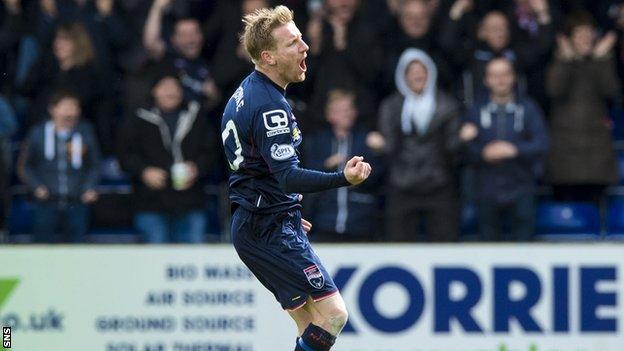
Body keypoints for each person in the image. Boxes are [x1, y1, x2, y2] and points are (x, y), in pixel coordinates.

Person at [220, 6, 371, 351]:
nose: (304, 47)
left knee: (312, 324)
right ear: (268, 57)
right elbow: (287, 177)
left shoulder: (247, 91)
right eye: (293, 43)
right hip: (266, 227)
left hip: (261, 221)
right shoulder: (269, 105)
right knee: (334, 315)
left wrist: (281, 207)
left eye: (301, 39)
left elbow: (252, 169)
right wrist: (343, 178)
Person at [372, 48, 462, 242]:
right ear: (402, 76)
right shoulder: (391, 106)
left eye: (422, 70)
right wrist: (379, 145)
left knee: (444, 242)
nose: (417, 74)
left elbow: (453, 150)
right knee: (399, 242)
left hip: (439, 184)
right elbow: (389, 148)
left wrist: (461, 138)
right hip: (401, 184)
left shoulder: (447, 105)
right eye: (411, 71)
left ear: (431, 73)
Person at [118, 73, 218, 244]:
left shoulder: (196, 114)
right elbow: (124, 155)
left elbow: (212, 151)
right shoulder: (138, 116)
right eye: (164, 87)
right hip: (150, 202)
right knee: (156, 262)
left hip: (190, 200)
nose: (170, 92)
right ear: (153, 91)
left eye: (175, 87)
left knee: (191, 262)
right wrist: (144, 171)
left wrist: (196, 168)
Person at [463, 57, 549, 241]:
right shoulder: (475, 110)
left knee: (524, 248)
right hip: (486, 188)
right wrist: (483, 153)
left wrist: (514, 150)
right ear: (486, 80)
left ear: (513, 77)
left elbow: (542, 143)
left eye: (505, 74)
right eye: (494, 75)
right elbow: (464, 149)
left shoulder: (528, 108)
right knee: (488, 248)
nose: (500, 80)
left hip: (522, 187)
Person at [546, 11, 621, 203]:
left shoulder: (602, 61)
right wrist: (566, 61)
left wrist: (601, 60)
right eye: (580, 35)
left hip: (597, 150)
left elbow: (611, 91)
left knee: (597, 212)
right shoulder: (559, 60)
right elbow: (555, 90)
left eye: (589, 35)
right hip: (565, 151)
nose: (585, 40)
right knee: (566, 213)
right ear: (569, 38)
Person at [18, 90, 100, 243]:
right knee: (42, 247)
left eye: (74, 107)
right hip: (46, 202)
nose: (71, 112)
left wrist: (89, 187)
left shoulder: (85, 133)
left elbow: (95, 165)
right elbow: (25, 166)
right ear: (53, 109)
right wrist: (36, 187)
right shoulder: (38, 133)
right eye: (66, 107)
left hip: (76, 201)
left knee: (77, 248)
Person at [303, 89, 383, 242]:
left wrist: (377, 153)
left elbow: (378, 177)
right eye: (340, 110)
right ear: (329, 114)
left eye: (349, 109)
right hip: (324, 222)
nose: (346, 114)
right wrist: (327, 165)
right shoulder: (318, 142)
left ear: (355, 112)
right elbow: (306, 175)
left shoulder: (366, 139)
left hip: (361, 222)